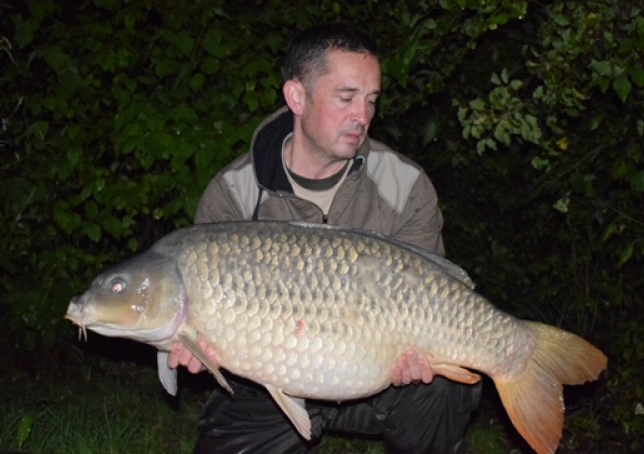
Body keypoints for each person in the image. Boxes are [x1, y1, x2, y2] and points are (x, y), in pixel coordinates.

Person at [169, 23, 482, 453]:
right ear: (297, 96)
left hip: (378, 381)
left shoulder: (404, 186)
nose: (363, 116)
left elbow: (433, 295)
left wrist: (420, 354)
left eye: (371, 100)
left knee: (445, 388)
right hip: (268, 385)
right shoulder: (234, 194)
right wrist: (198, 352)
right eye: (346, 97)